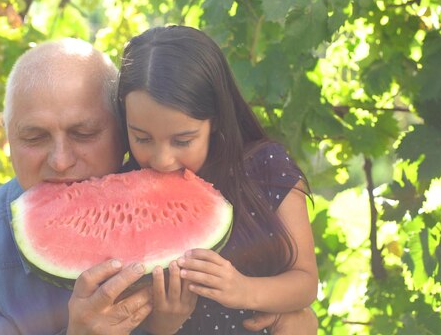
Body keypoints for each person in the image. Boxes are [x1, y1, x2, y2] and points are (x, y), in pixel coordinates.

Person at [0, 38, 318, 334]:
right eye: (34, 137)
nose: (61, 160)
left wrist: (286, 307)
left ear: (123, 129)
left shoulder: (181, 176)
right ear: (7, 137)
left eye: (84, 133)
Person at [117, 25, 319, 334]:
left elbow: (305, 282)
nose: (161, 160)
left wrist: (244, 290)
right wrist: (163, 324)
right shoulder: (120, 187)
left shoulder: (267, 168)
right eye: (142, 138)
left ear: (216, 121)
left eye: (183, 141)